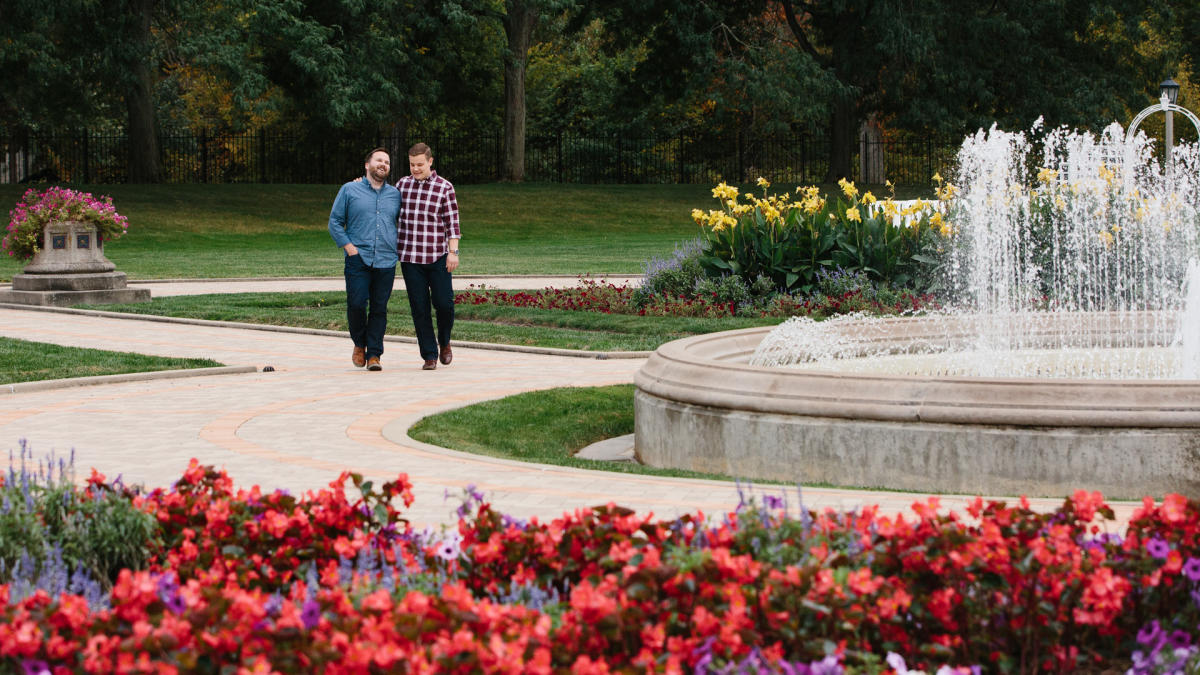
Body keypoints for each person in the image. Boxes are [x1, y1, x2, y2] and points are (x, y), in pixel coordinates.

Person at [328, 147, 401, 371]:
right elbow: (335, 222)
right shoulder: (349, 190)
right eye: (379, 160)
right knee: (357, 304)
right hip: (358, 258)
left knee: (379, 308)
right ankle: (359, 344)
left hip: (386, 260)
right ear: (367, 165)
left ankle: (374, 355)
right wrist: (350, 248)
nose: (383, 164)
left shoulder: (395, 195)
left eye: (387, 162)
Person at [395, 142, 461, 370]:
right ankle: (429, 355)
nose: (415, 168)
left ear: (430, 162)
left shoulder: (445, 187)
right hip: (410, 258)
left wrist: (453, 252)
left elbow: (453, 224)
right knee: (419, 307)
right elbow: (382, 202)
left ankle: (444, 341)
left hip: (438, 256)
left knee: (444, 304)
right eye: (412, 164)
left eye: (420, 164)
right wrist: (360, 185)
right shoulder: (402, 185)